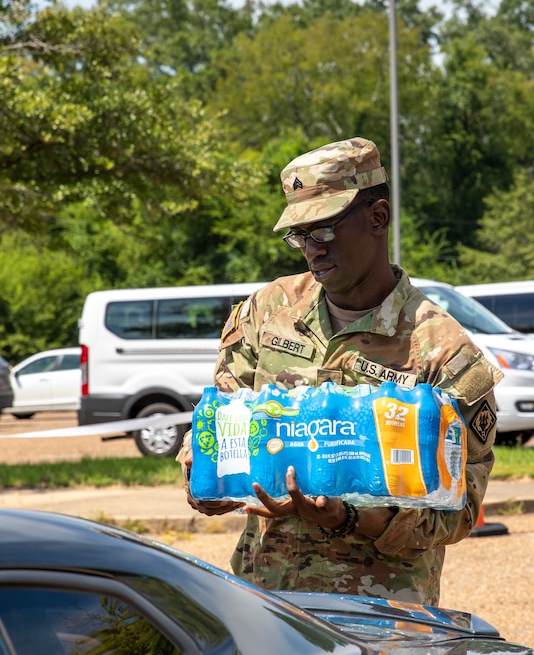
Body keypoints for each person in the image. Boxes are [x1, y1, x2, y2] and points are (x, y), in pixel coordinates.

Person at [180, 138, 502, 605]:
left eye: (325, 230)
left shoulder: (443, 351)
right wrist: (201, 475)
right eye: (299, 235)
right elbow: (221, 420)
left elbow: (460, 510)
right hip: (268, 603)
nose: (311, 250)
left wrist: (348, 516)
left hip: (379, 615)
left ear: (378, 218)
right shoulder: (267, 311)